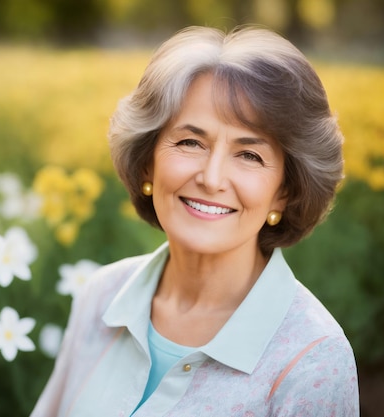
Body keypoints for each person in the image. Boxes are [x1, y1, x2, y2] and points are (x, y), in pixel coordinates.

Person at [31, 25, 359, 416]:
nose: (211, 177)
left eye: (249, 155)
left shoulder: (312, 360)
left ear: (284, 192)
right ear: (147, 162)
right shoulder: (100, 297)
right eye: (190, 142)